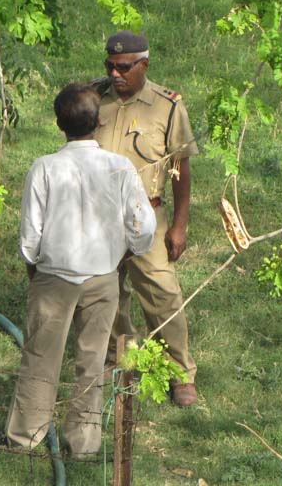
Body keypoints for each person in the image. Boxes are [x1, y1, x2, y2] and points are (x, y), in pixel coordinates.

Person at [5, 83, 156, 457]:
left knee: (41, 357)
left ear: (59, 124)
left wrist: (34, 266)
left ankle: (25, 437)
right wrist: (126, 253)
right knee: (92, 361)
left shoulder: (45, 167)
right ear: (99, 121)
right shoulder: (119, 167)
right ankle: (84, 444)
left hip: (54, 276)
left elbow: (29, 234)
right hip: (103, 276)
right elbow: (144, 226)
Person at [93, 30, 200, 407]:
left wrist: (179, 224)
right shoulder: (94, 99)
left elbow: (181, 168)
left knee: (162, 294)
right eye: (109, 66)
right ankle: (120, 360)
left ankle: (178, 373)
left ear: (144, 64)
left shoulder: (167, 106)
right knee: (104, 293)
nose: (115, 74)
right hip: (99, 218)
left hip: (146, 217)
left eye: (123, 67)